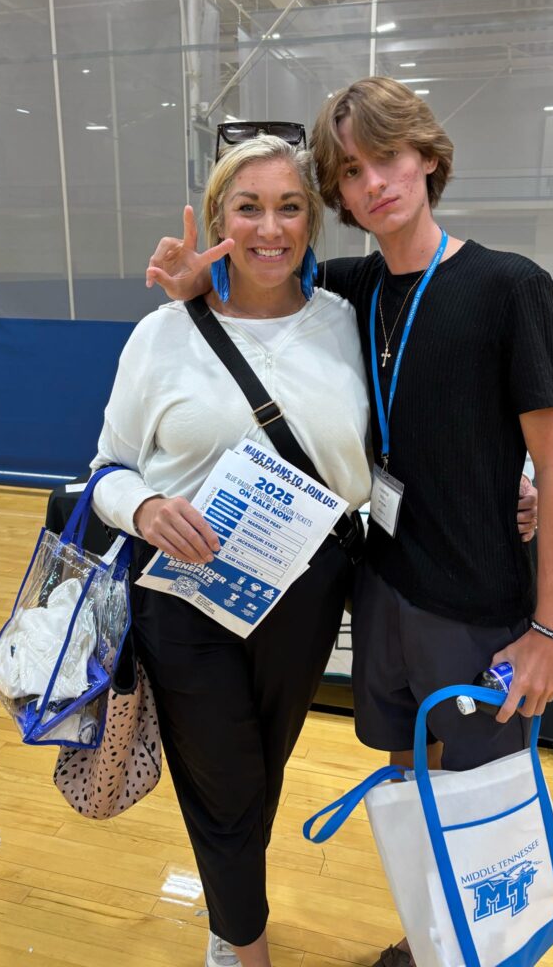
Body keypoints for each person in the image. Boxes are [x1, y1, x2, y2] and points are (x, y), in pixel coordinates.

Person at [145, 80, 553, 966]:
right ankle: (429, 946)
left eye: (387, 157)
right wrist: (194, 282)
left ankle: (475, 952)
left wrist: (550, 629)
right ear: (337, 197)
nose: (373, 182)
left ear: (426, 157)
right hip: (382, 597)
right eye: (349, 171)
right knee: (415, 793)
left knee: (484, 812)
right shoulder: (350, 288)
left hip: (480, 606)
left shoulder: (509, 287)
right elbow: (258, 277)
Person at [89, 133, 373, 967]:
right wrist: (141, 507)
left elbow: (424, 422)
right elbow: (105, 467)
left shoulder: (347, 324)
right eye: (247, 207)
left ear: (312, 221)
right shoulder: (162, 336)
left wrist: (522, 479)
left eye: (289, 206)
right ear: (218, 219)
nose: (269, 228)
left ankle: (229, 910)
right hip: (183, 592)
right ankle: (242, 945)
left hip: (308, 586)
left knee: (262, 765)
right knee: (224, 777)